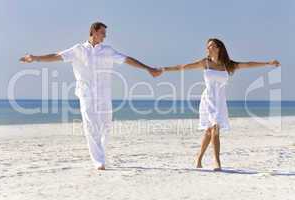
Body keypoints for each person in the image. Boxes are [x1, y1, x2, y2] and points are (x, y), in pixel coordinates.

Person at [20, 22, 162, 170]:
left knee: (106, 126)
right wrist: (35, 58)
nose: (105, 36)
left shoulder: (108, 51)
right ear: (94, 31)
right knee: (90, 125)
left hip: (104, 94)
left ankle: (102, 155)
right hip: (85, 93)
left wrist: (148, 68)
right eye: (103, 33)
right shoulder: (78, 50)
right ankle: (98, 161)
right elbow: (56, 56)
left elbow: (127, 59)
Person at [159, 38, 280, 171]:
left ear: (218, 48)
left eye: (211, 46)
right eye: (208, 46)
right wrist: (163, 69)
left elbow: (248, 64)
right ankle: (217, 162)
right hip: (208, 99)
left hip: (220, 100)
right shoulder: (205, 63)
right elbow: (182, 67)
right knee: (214, 129)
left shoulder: (228, 65)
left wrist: (267, 63)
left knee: (209, 132)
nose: (208, 48)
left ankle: (199, 157)